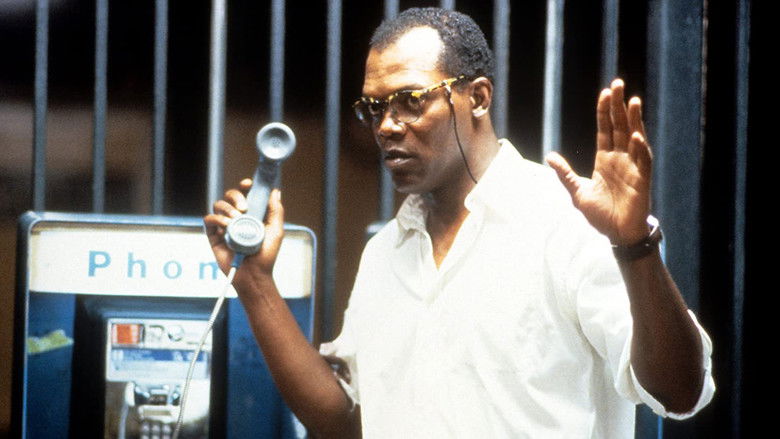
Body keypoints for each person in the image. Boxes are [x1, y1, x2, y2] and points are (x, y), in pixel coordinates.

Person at [204, 7, 714, 438]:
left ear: (479, 97)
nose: (386, 126)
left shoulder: (565, 223)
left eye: (411, 100)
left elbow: (680, 391)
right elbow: (345, 422)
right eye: (374, 108)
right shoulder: (386, 253)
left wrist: (634, 245)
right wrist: (256, 284)